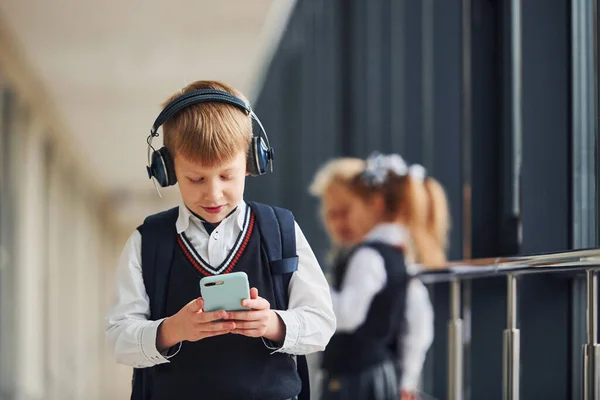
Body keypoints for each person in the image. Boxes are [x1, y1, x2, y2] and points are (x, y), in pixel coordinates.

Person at [105, 80, 336, 400]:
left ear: (252, 161)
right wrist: (173, 330)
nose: (213, 193)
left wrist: (271, 323)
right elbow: (118, 337)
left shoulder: (280, 230)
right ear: (167, 170)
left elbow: (322, 323)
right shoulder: (148, 242)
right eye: (196, 178)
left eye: (227, 176)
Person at [319, 153, 443, 400]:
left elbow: (347, 315)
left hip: (355, 377)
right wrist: (408, 378)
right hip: (377, 375)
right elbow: (418, 324)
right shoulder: (397, 254)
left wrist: (308, 290)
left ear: (374, 204)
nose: (343, 222)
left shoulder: (369, 256)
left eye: (350, 209)